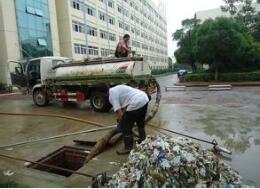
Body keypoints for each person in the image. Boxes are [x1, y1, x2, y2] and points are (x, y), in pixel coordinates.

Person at [109, 84, 149, 155]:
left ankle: (128, 148)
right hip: (144, 98)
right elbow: (125, 106)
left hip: (136, 101)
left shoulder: (112, 94)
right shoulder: (118, 88)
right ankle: (142, 139)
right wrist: (124, 118)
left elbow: (118, 111)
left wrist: (121, 122)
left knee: (126, 127)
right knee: (140, 121)